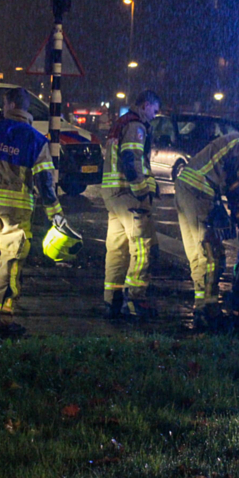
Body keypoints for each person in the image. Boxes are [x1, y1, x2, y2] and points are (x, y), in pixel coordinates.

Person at [0, 87, 67, 336]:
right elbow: (45, 183)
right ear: (27, 107)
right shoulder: (37, 140)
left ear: (7, 104)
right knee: (10, 265)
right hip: (16, 214)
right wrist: (55, 214)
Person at [174, 129, 239, 330]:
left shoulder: (238, 142)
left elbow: (236, 194)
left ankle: (203, 307)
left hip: (189, 190)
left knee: (200, 256)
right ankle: (208, 311)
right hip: (200, 193)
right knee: (212, 255)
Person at [101, 90, 161, 319]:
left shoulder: (121, 123)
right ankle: (135, 300)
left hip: (113, 195)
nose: (155, 116)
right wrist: (142, 192)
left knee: (117, 250)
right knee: (144, 247)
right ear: (145, 105)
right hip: (129, 196)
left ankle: (112, 300)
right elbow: (131, 161)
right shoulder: (136, 127)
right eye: (154, 110)